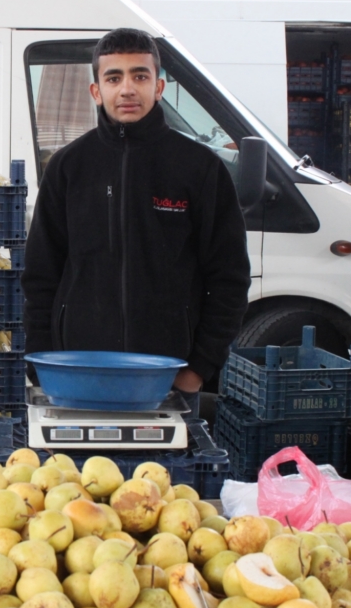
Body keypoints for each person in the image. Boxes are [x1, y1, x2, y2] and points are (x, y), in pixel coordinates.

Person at [22, 28, 251, 416]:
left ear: (158, 86)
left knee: (164, 477)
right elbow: (41, 274)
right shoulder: (67, 167)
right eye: (114, 77)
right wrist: (41, 363)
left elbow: (229, 277)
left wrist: (197, 369)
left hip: (166, 378)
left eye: (139, 76)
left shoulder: (199, 168)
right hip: (78, 375)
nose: (127, 89)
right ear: (96, 91)